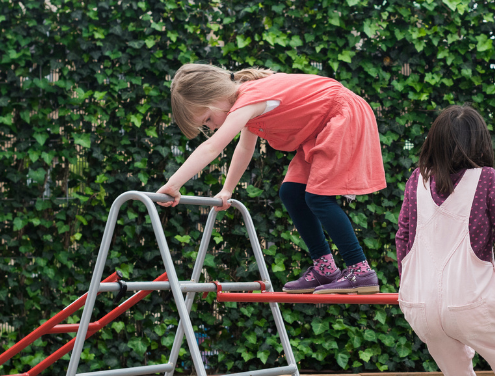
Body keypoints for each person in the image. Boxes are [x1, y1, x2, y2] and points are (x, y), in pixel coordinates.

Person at [157, 63, 386, 294]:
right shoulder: (247, 102)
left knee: (318, 197)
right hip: (320, 126)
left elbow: (212, 148)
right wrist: (227, 190)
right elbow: (244, 149)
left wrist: (174, 184)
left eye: (207, 120)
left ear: (215, 97)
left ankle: (361, 270)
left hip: (340, 116)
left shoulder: (251, 98)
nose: (212, 127)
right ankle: (325, 268)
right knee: (292, 193)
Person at [396, 105, 495, 375]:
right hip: (473, 301)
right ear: (480, 141)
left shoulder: (417, 179)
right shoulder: (487, 179)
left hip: (420, 305)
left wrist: (409, 283)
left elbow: (403, 238)